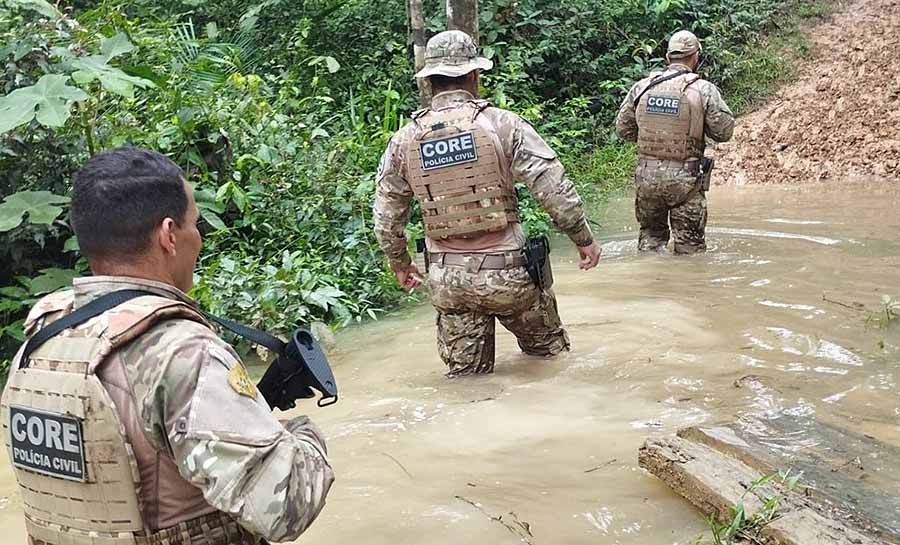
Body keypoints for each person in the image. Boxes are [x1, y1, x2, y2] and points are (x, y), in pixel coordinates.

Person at [1, 148, 333, 544]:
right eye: (196, 225)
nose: (200, 239)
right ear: (169, 235)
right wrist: (299, 435)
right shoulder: (183, 351)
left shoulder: (42, 337)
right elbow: (287, 508)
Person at [373, 30, 602, 377]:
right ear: (473, 75)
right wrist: (583, 239)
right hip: (509, 275)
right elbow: (553, 189)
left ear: (430, 81)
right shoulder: (502, 123)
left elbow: (387, 217)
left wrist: (400, 263)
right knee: (553, 364)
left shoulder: (404, 140)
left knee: (468, 385)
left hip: (449, 281)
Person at [615, 30, 735, 254]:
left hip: (647, 180)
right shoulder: (703, 90)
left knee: (650, 241)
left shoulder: (642, 87)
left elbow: (623, 130)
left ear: (668, 57)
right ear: (695, 56)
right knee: (690, 249)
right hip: (686, 182)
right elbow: (724, 132)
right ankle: (686, 287)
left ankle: (650, 284)